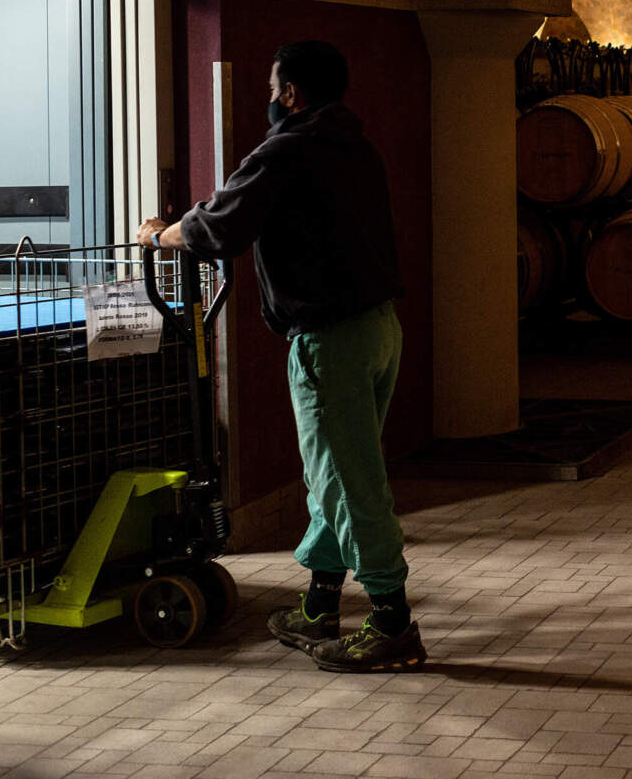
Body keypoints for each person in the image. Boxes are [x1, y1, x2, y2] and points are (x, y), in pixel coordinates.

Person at [138, 41, 423, 673]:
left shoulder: (288, 149)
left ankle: (392, 622)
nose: (270, 98)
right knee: (333, 473)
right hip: (378, 329)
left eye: (273, 87)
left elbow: (220, 226)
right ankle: (321, 606)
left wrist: (160, 236)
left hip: (331, 342)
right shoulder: (355, 144)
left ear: (290, 92)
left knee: (351, 483)